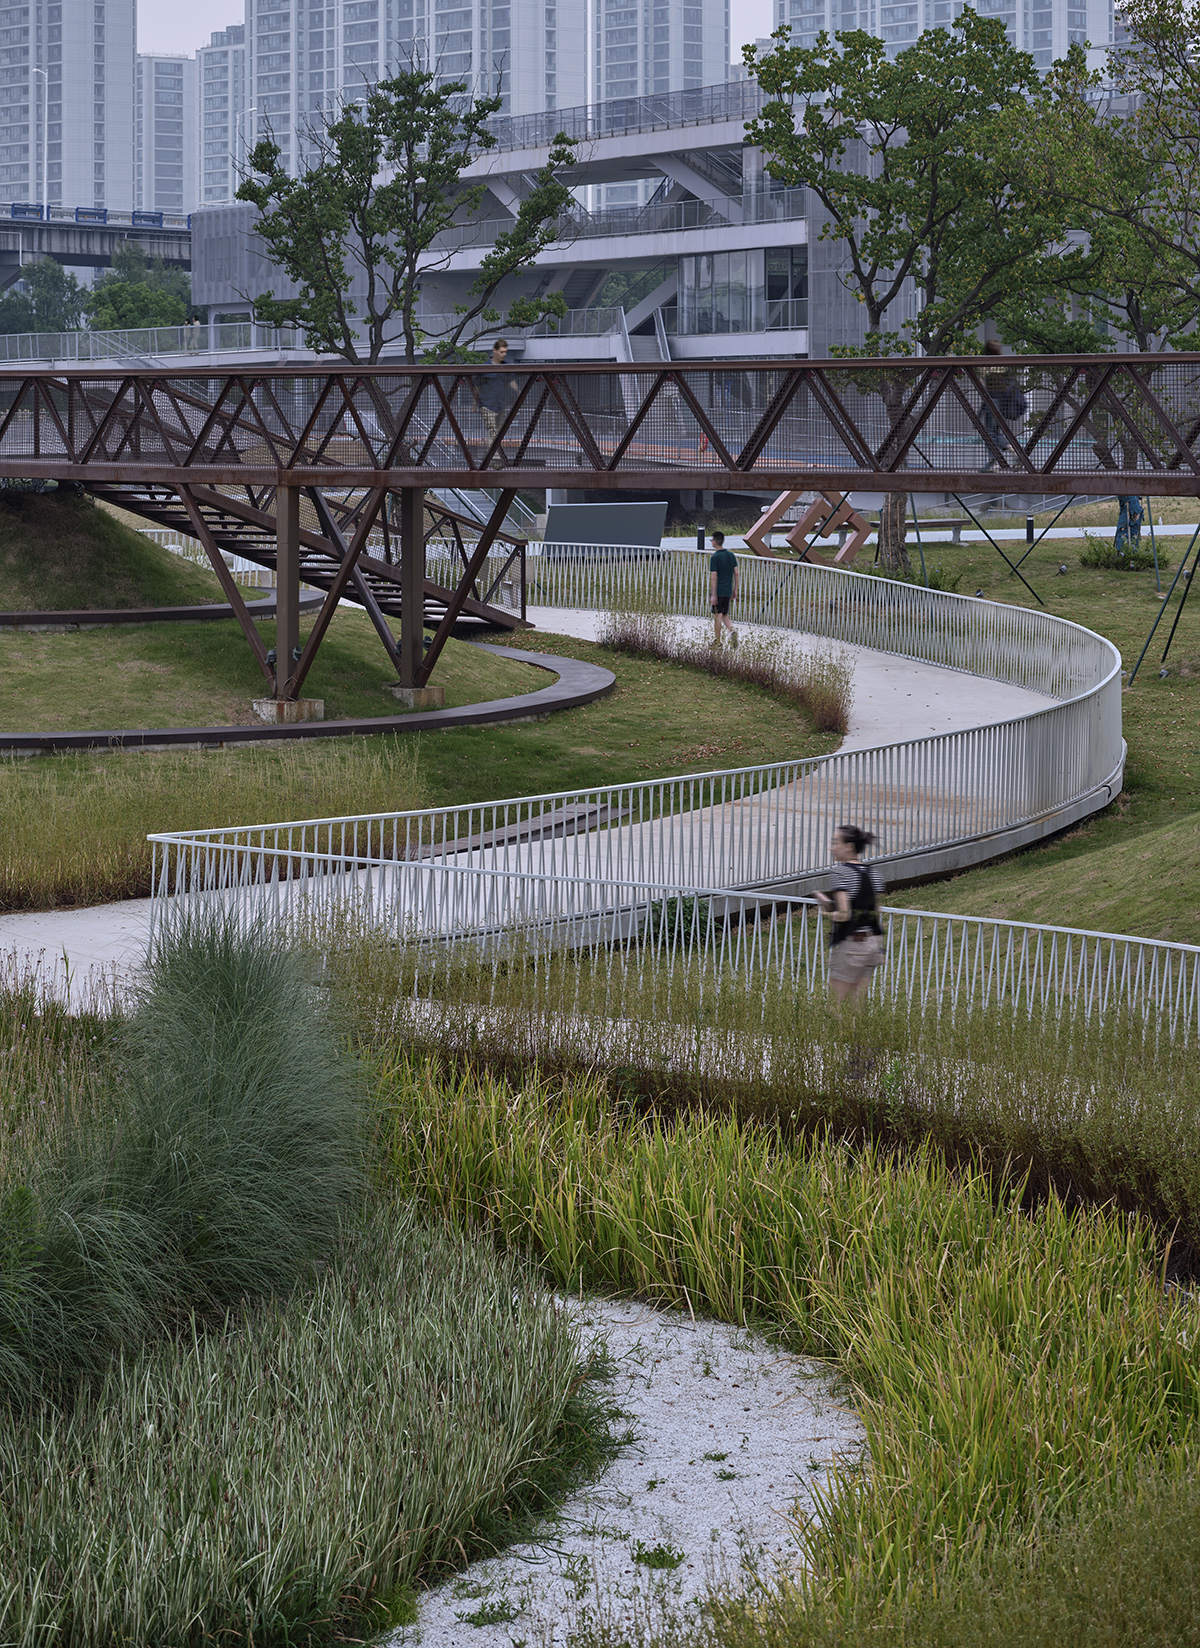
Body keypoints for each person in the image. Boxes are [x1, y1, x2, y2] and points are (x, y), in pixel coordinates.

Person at [814, 824, 885, 1003]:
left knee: (836, 1005)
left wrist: (826, 912)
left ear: (849, 846)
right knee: (857, 1005)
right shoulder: (873, 873)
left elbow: (845, 914)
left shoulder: (841, 873)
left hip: (853, 945)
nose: (832, 847)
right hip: (873, 944)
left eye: (835, 842)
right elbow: (874, 909)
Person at [977, 339, 1027, 474]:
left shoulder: (985, 364)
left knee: (990, 433)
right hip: (1004, 402)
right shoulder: (1004, 364)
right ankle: (1005, 455)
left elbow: (981, 384)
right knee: (994, 433)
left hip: (992, 401)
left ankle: (1001, 457)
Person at [474, 338, 513, 469]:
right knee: (492, 432)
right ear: (495, 351)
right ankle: (495, 459)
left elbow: (511, 381)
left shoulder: (506, 366)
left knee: (498, 433)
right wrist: (475, 403)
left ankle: (488, 457)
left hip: (500, 404)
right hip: (487, 404)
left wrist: (520, 392)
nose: (504, 354)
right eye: (502, 352)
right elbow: (477, 386)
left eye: (505, 352)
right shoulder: (485, 368)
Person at [708, 530, 739, 646]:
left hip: (719, 590)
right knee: (724, 614)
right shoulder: (731, 555)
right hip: (728, 590)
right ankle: (733, 630)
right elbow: (736, 573)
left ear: (715, 542)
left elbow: (714, 576)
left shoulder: (715, 558)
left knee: (717, 615)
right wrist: (735, 589)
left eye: (712, 540)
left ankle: (717, 641)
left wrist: (713, 594)